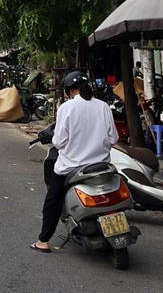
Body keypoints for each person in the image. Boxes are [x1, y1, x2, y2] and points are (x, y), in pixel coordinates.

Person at [31, 70, 118, 253]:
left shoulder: (67, 108)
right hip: (101, 166)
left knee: (53, 199)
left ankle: (43, 241)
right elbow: (113, 138)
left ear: (69, 90)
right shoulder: (103, 106)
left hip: (71, 167)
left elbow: (59, 141)